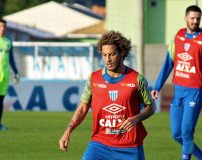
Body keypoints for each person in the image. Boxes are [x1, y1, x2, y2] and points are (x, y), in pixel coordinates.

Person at [59, 31, 155, 160]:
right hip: (100, 145)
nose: (108, 59)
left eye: (112, 54)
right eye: (104, 55)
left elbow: (151, 107)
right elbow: (82, 108)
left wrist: (136, 118)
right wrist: (68, 131)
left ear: (122, 53)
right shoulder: (94, 79)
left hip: (130, 147)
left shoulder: (137, 79)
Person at [151, 5, 202, 160]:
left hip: (195, 92)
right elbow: (168, 62)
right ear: (185, 18)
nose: (195, 21)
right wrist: (157, 86)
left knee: (186, 132)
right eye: (192, 18)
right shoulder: (179, 35)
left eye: (198, 18)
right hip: (178, 90)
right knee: (176, 134)